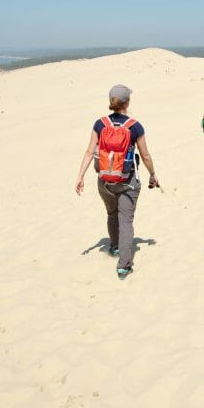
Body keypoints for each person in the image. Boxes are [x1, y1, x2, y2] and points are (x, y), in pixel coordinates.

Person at [75, 84, 159, 280]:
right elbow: (145, 155)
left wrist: (80, 176)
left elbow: (89, 152)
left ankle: (114, 246)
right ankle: (124, 265)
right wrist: (153, 174)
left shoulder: (100, 124)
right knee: (126, 221)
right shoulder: (135, 126)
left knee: (111, 214)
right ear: (127, 102)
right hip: (127, 182)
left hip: (104, 181)